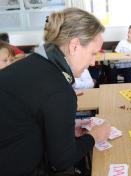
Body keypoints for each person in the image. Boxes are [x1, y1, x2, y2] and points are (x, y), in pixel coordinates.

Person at [0, 8, 111, 175]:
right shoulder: (59, 89)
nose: (94, 62)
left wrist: (63, 127)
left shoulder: (31, 62)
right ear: (74, 46)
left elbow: (24, 119)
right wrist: (93, 137)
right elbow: (61, 160)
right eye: (92, 53)